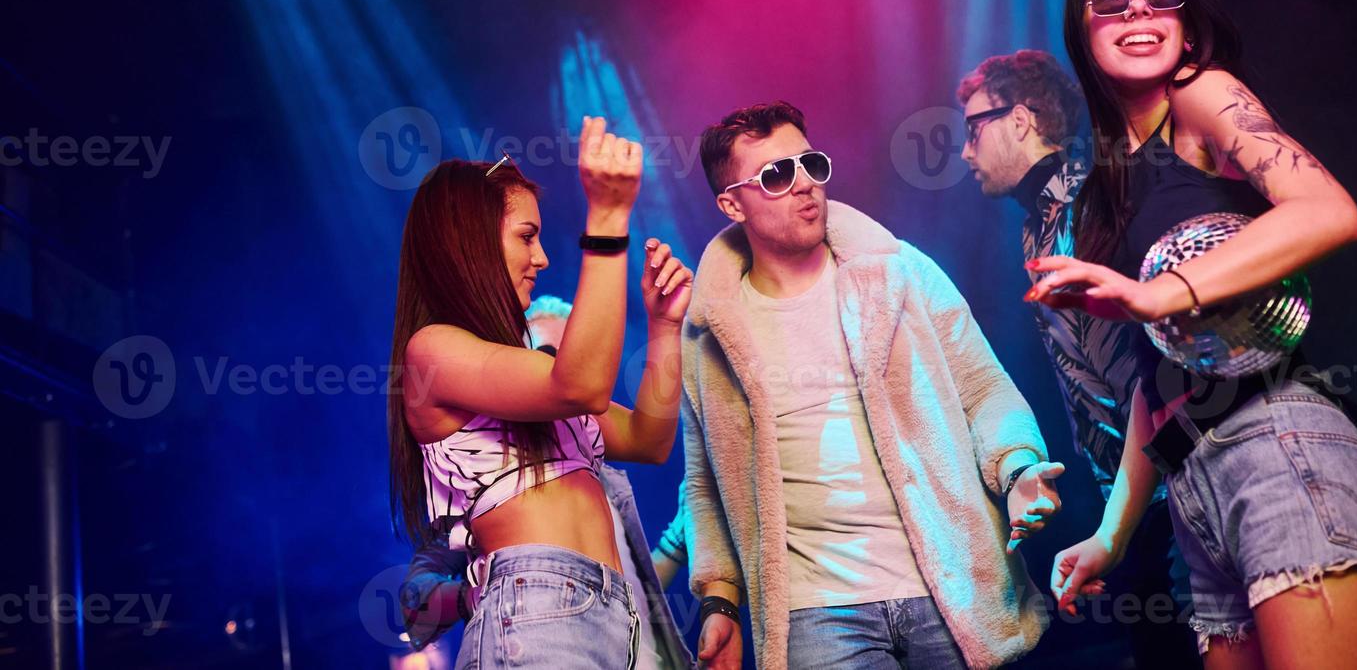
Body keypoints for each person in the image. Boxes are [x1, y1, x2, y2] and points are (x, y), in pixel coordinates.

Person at [1029, 0, 1357, 667]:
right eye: (1111, 2)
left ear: (1183, 18)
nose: (1139, 14)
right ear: (1082, 32)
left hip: (1280, 446)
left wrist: (1159, 294)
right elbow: (1161, 382)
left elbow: (1328, 210)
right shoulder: (1105, 193)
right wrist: (1111, 535)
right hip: (1195, 490)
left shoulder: (1202, 96)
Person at [680, 101, 1063, 670]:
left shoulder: (901, 273)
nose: (804, 184)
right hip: (815, 612)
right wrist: (719, 599)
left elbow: (984, 390)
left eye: (810, 163)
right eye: (776, 175)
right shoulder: (711, 329)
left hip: (947, 584)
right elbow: (705, 481)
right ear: (731, 203)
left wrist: (1019, 471)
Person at [388, 117, 693, 670]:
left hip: (612, 617)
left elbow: (648, 439)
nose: (543, 257)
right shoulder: (431, 350)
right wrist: (606, 218)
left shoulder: (528, 379)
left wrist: (665, 329)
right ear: (470, 245)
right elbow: (579, 384)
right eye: (526, 236)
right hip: (535, 612)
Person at [957, 50, 1199, 667]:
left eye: (972, 128)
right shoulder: (1033, 227)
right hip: (1132, 499)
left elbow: (1172, 358)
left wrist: (1148, 501)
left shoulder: (1095, 193)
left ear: (1021, 119)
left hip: (1183, 483)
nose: (964, 153)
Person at [398, 295, 695, 669]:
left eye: (568, 359)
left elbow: (650, 442)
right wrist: (473, 595)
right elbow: (415, 600)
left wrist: (665, 326)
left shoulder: (605, 482)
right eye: (543, 354)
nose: (555, 369)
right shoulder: (491, 476)